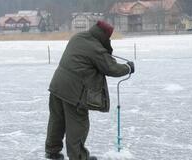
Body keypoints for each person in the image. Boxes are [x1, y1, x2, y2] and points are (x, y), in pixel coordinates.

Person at [45, 20, 135, 160]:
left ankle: (52, 152)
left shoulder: (79, 37)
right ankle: (79, 157)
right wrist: (128, 68)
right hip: (74, 92)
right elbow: (111, 68)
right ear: (105, 36)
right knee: (78, 125)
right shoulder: (95, 48)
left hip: (57, 86)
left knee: (57, 120)